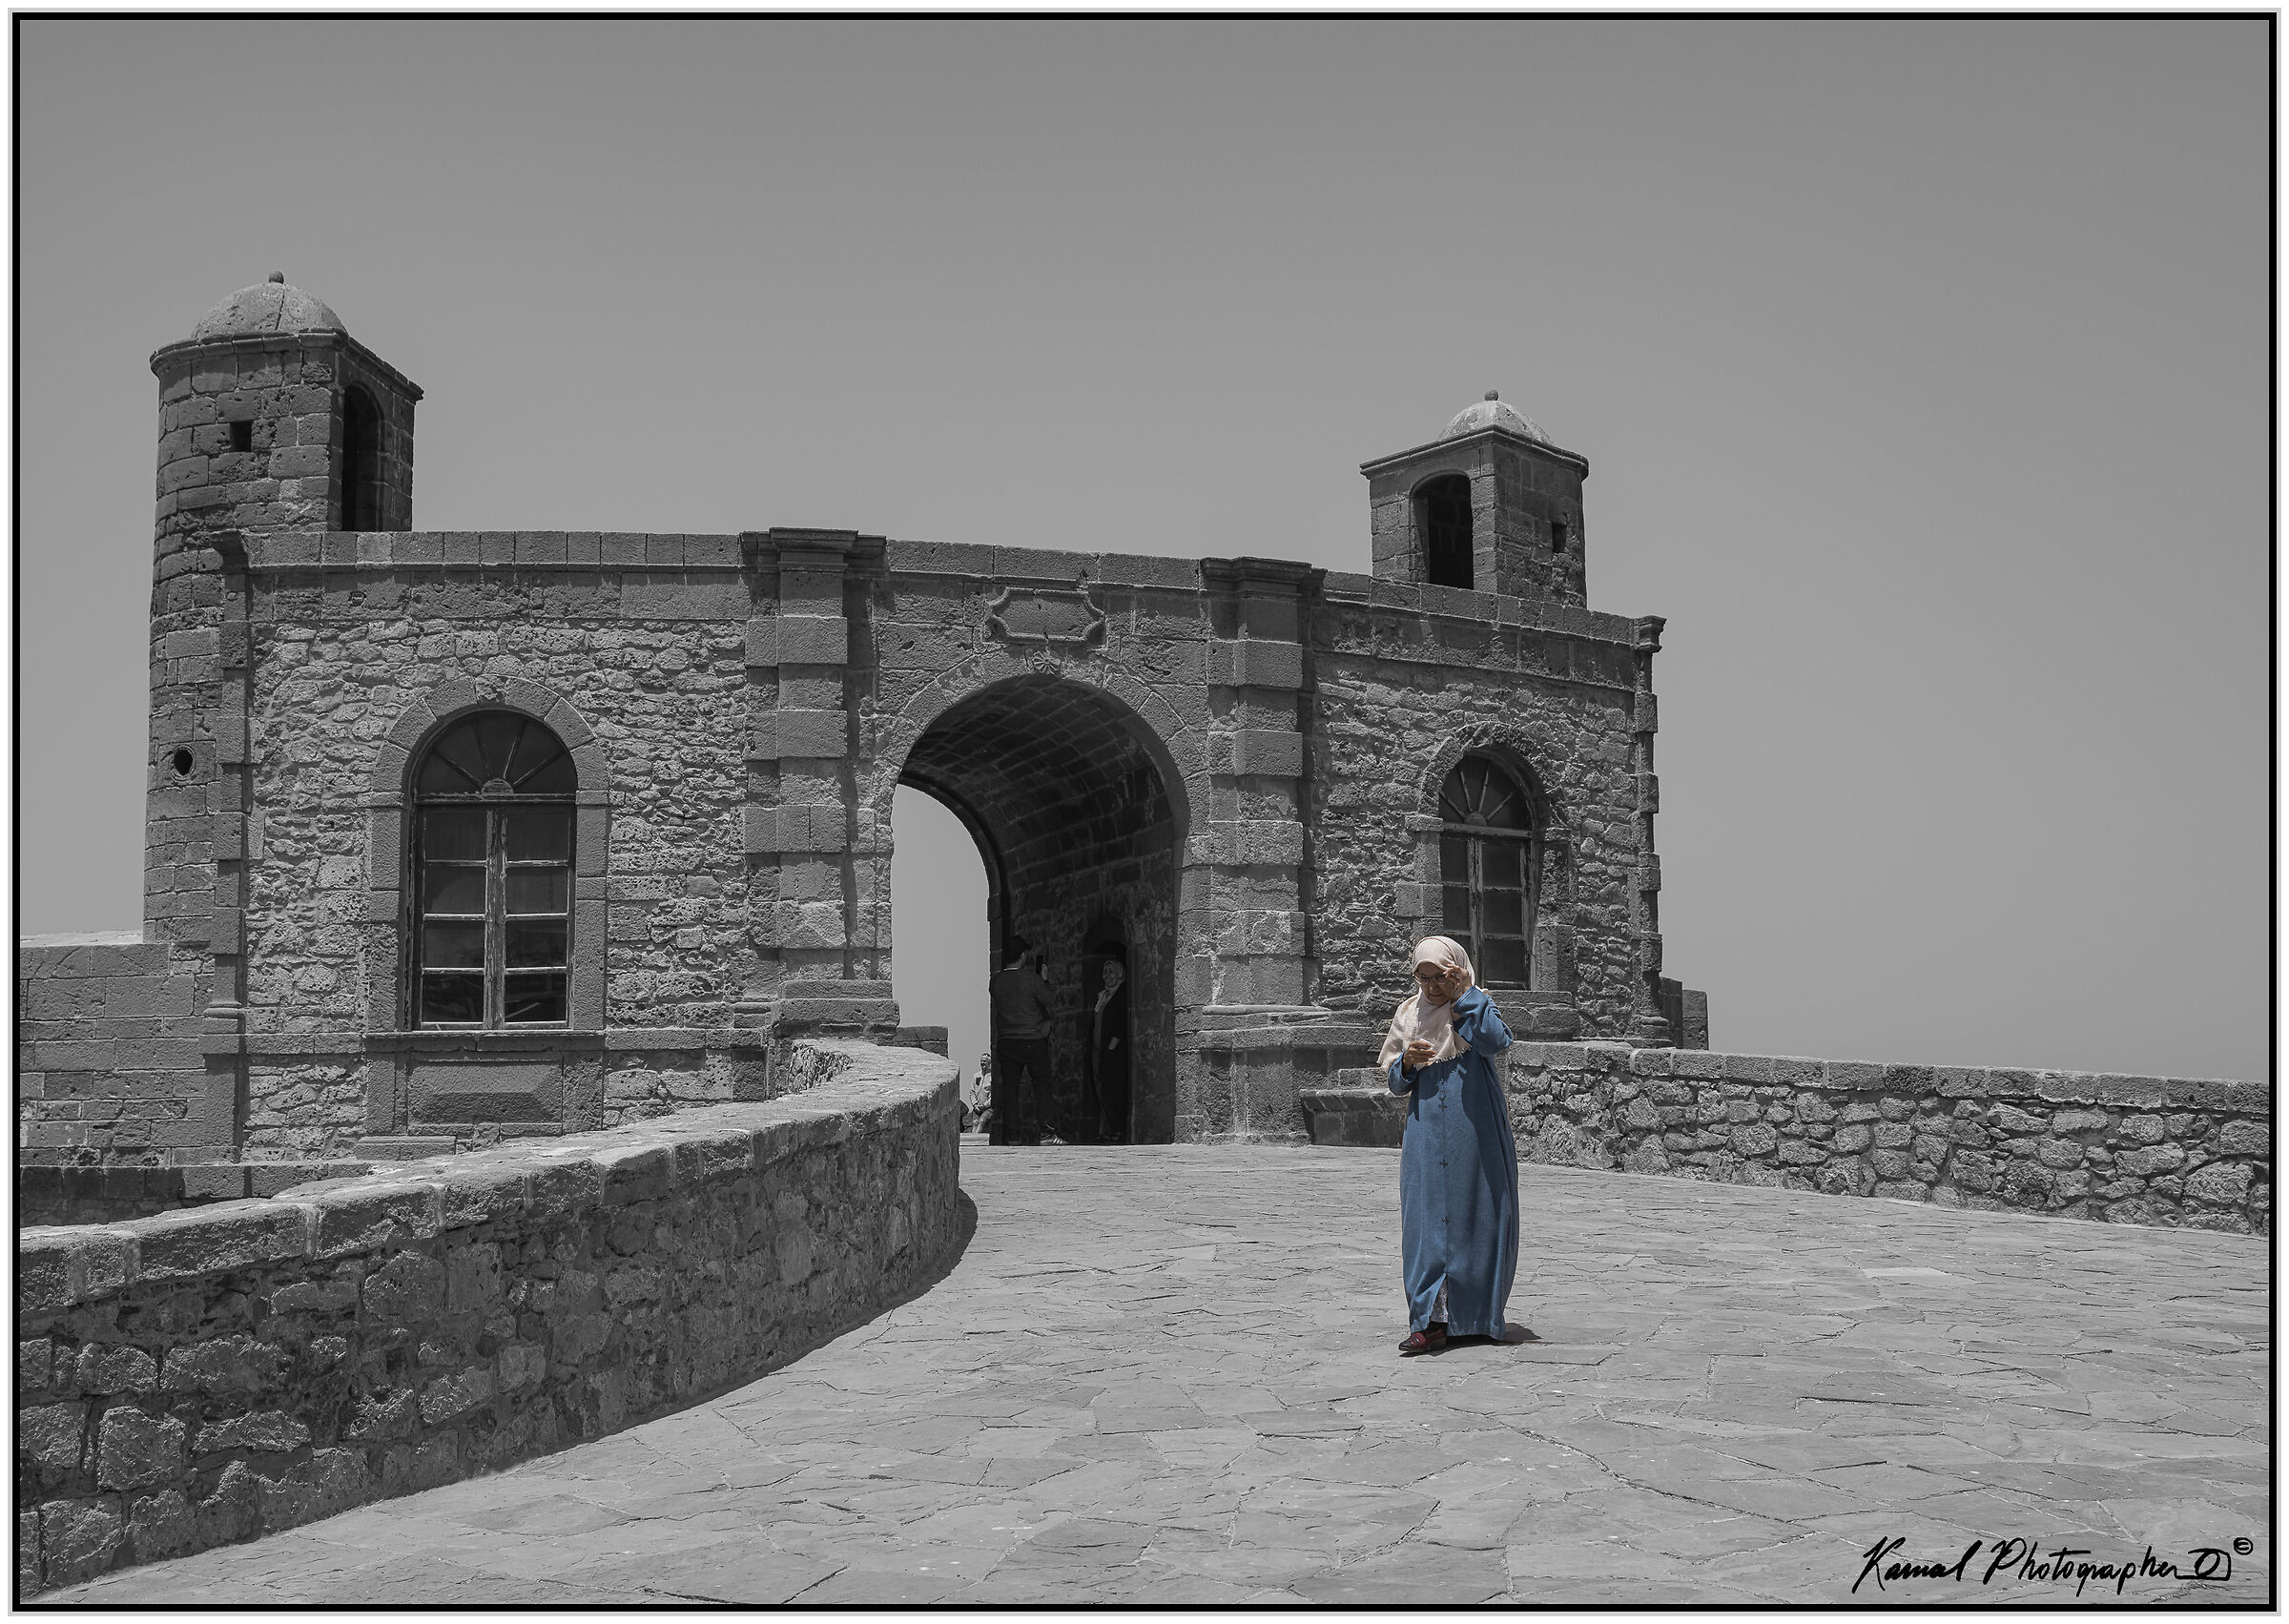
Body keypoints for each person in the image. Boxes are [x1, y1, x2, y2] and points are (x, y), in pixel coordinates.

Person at [1380, 935, 1518, 1355]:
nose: (1431, 988)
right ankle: (1429, 1320)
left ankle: (1477, 1316)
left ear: (1455, 971)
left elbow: (1497, 1041)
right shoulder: (1409, 1014)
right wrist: (1406, 1063)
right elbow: (1394, 1083)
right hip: (1425, 1129)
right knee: (1425, 1219)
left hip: (1472, 1125)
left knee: (1478, 1211)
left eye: (1440, 978)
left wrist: (1466, 996)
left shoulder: (1475, 1004)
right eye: (1423, 979)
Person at [989, 935, 1056, 1145]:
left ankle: (1013, 1137)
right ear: (1022, 955)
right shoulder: (1030, 979)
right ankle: (1046, 1133)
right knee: (1042, 1086)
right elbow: (1049, 999)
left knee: (1010, 1090)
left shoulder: (996, 981)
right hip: (1032, 1039)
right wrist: (1044, 979)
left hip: (1007, 1041)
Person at [1088, 947, 1131, 1142]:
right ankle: (1105, 1130)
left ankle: (1115, 1131)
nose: (1107, 976)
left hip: (1112, 1052)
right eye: (1105, 972)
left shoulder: (1121, 994)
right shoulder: (1103, 996)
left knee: (1112, 1091)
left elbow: (1120, 1021)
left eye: (1112, 971)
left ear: (1120, 973)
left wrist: (1112, 1046)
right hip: (1098, 1050)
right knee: (1100, 1089)